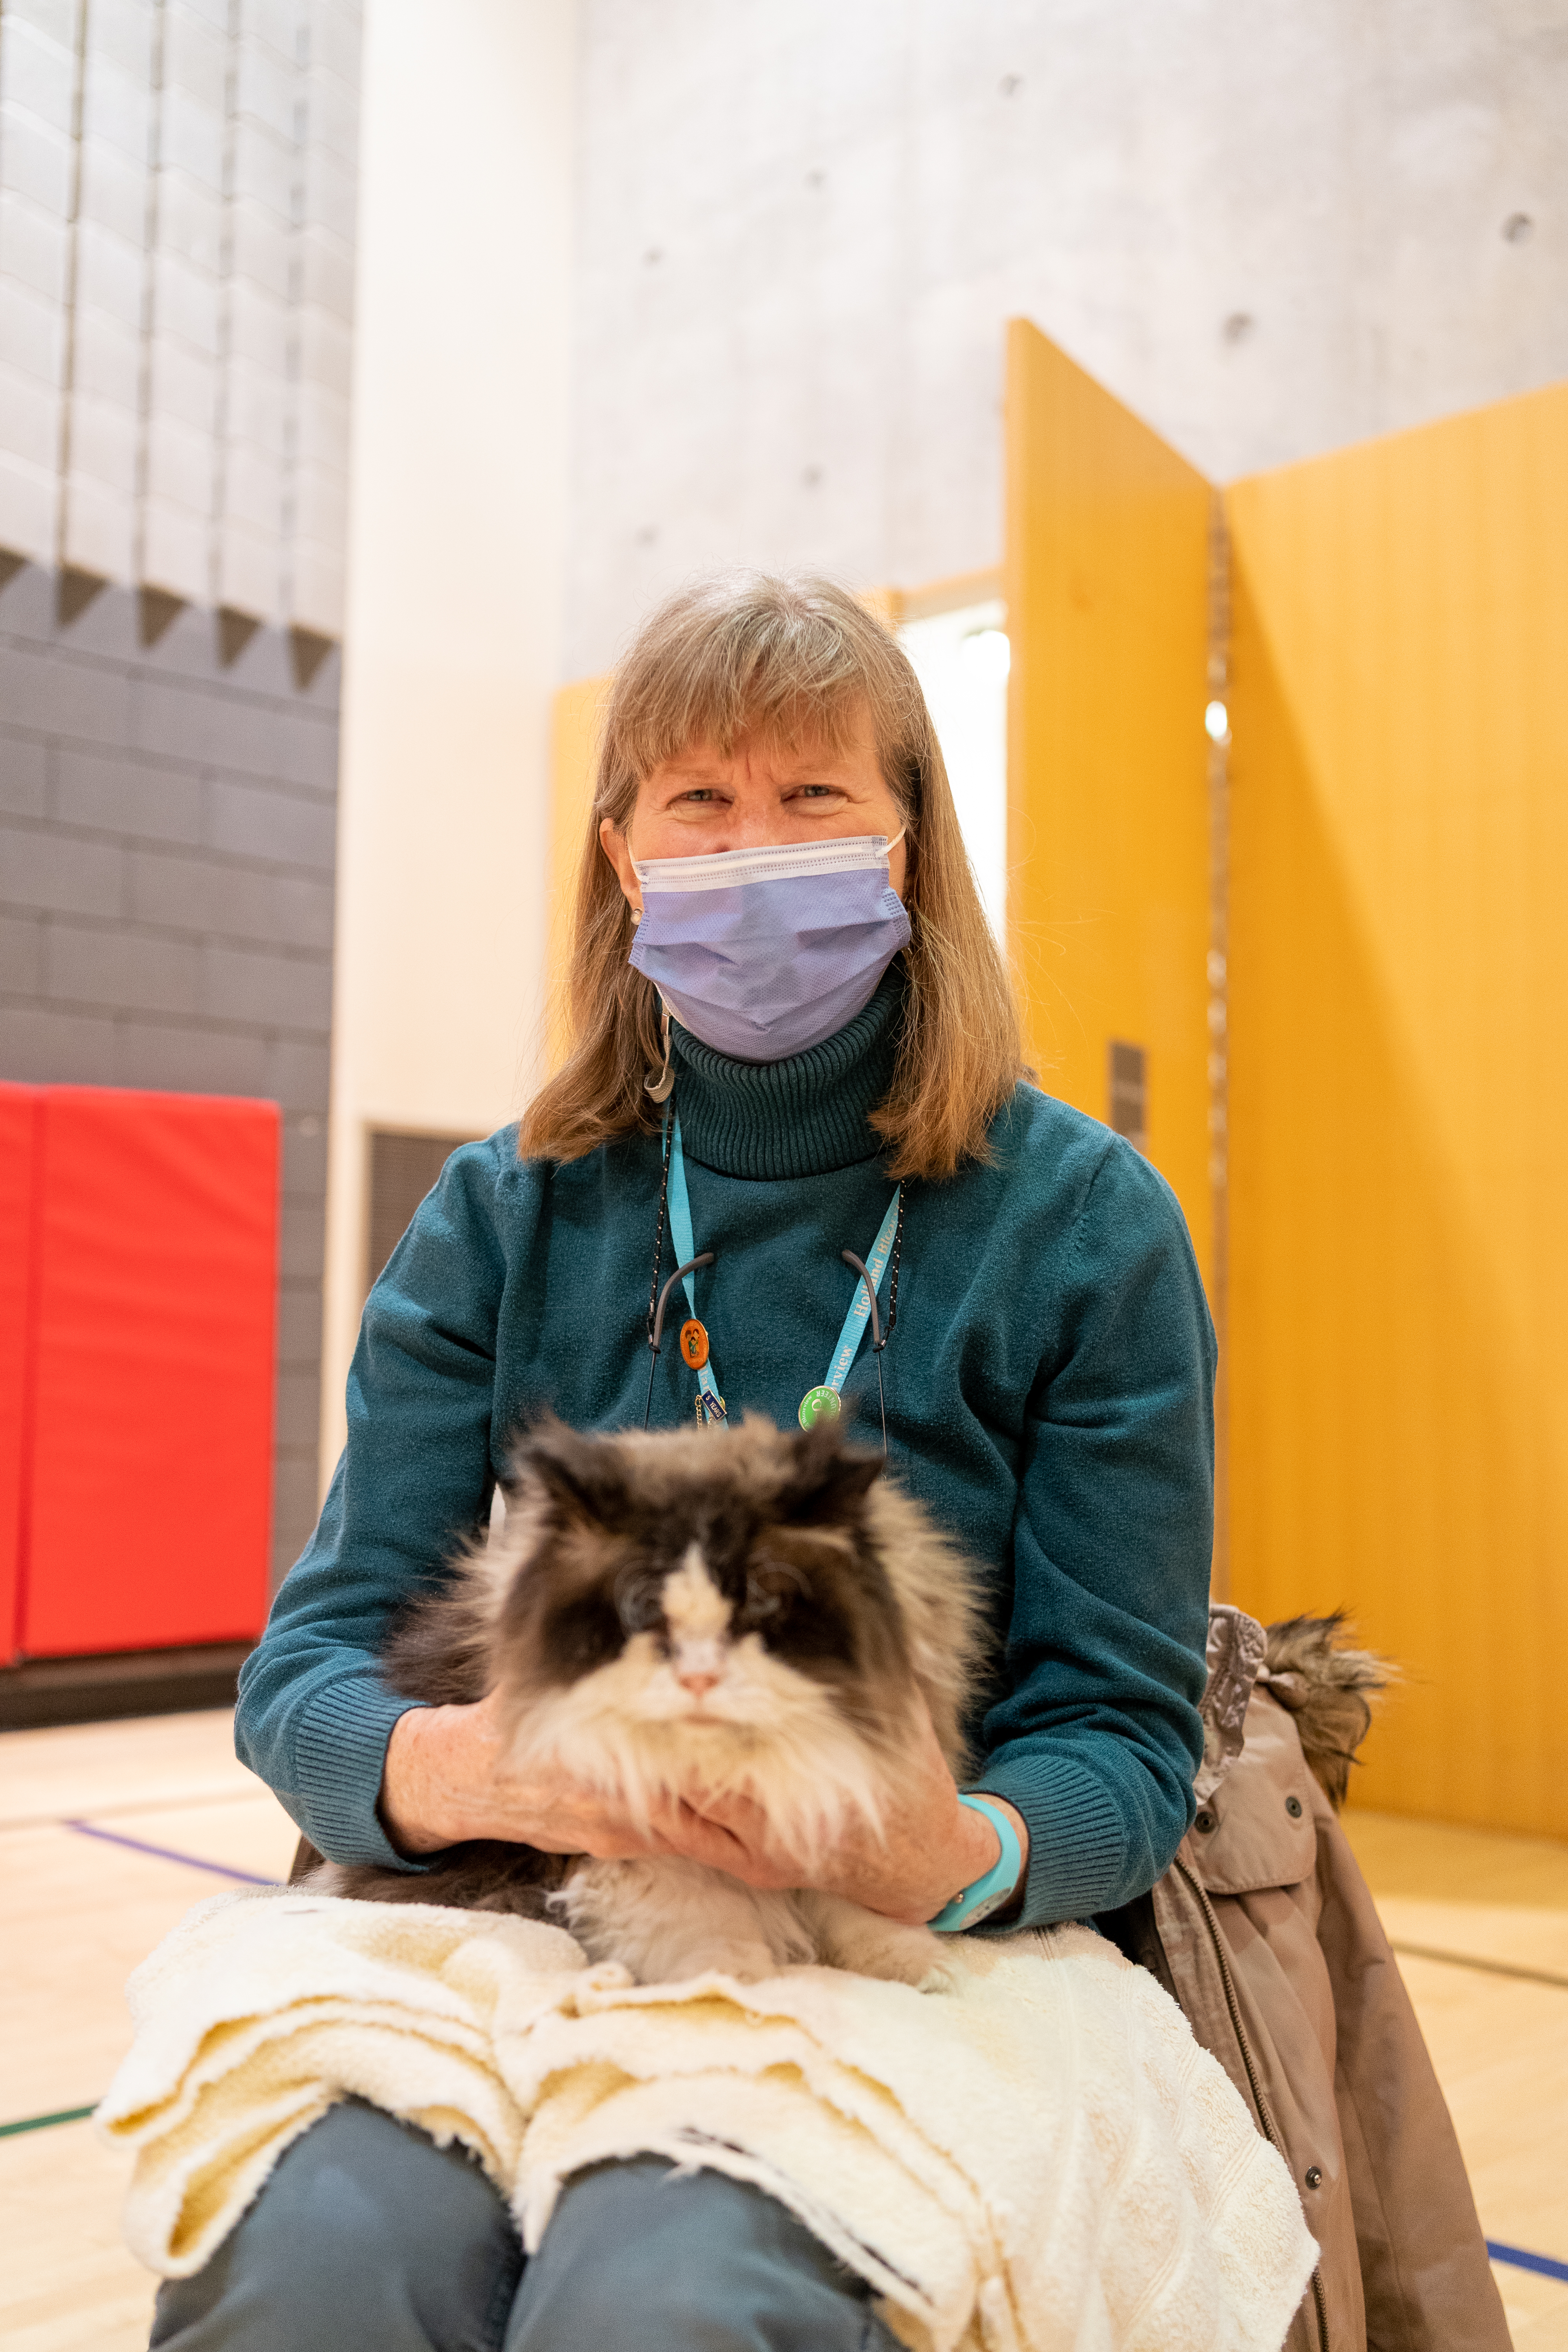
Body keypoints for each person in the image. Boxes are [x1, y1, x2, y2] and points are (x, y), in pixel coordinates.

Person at [155, 573, 1214, 2351]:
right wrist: (485, 1774)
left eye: (812, 800)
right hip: (511, 1899)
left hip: (903, 1949)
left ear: (909, 847)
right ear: (624, 858)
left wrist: (934, 1848)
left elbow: (1124, 1740)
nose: (751, 849)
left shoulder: (1082, 1226)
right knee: (310, 2263)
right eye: (698, 804)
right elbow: (304, 1686)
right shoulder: (504, 1212)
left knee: (668, 2297)